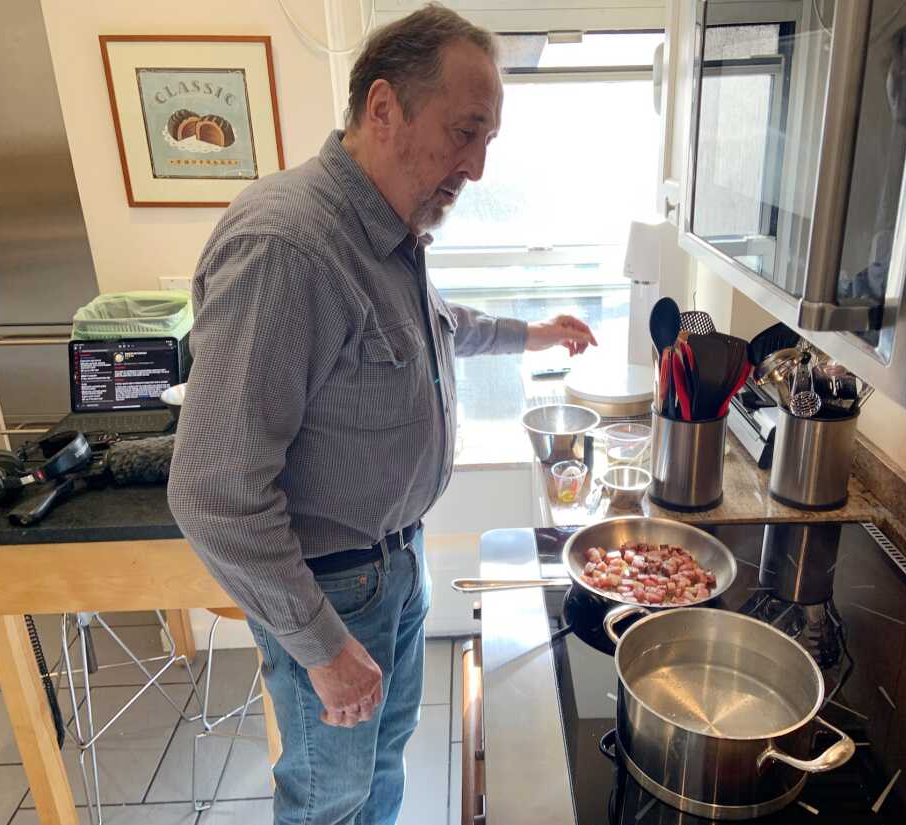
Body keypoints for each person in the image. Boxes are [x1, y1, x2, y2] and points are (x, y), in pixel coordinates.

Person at [167, 5, 597, 824]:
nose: (474, 168)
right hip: (330, 587)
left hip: (396, 564)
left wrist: (532, 331)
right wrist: (324, 648)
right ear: (383, 108)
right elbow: (213, 492)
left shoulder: (389, 230)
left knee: (378, 778)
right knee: (330, 800)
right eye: (464, 132)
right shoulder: (289, 247)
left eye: (488, 143)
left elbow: (434, 329)